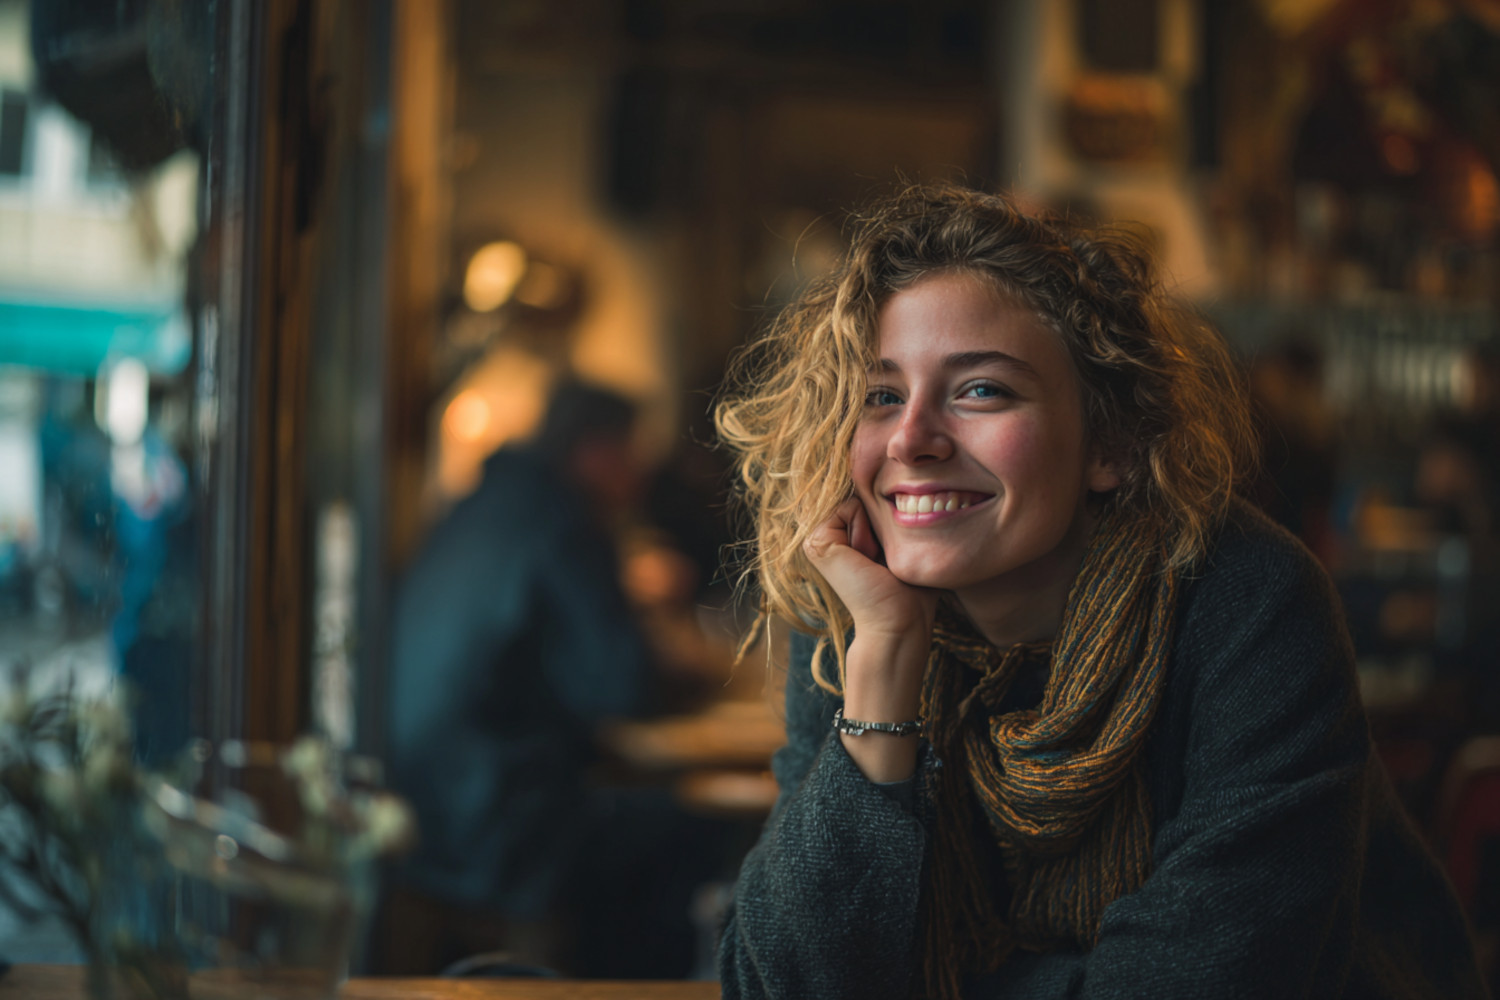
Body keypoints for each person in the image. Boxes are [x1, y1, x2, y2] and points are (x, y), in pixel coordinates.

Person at [713, 185, 1487, 999]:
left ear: (1109, 444)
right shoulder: (853, 617)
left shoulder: (1246, 603)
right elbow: (780, 983)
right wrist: (886, 667)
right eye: (880, 395)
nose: (911, 439)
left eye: (981, 390)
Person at [385, 378, 724, 978]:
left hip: (423, 812)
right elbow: (621, 689)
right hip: (499, 823)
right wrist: (689, 669)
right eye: (631, 455)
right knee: (697, 838)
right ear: (597, 451)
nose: (638, 475)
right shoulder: (563, 518)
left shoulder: (481, 500)